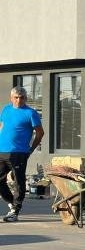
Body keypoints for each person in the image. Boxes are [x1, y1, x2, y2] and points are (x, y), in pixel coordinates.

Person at [0, 86, 44, 223]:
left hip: (19, 153)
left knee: (18, 181)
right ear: (11, 98)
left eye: (22, 97)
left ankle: (15, 212)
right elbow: (2, 126)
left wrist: (30, 150)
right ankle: (12, 203)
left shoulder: (31, 113)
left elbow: (40, 133)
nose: (19, 100)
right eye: (16, 97)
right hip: (2, 151)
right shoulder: (6, 109)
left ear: (25, 98)